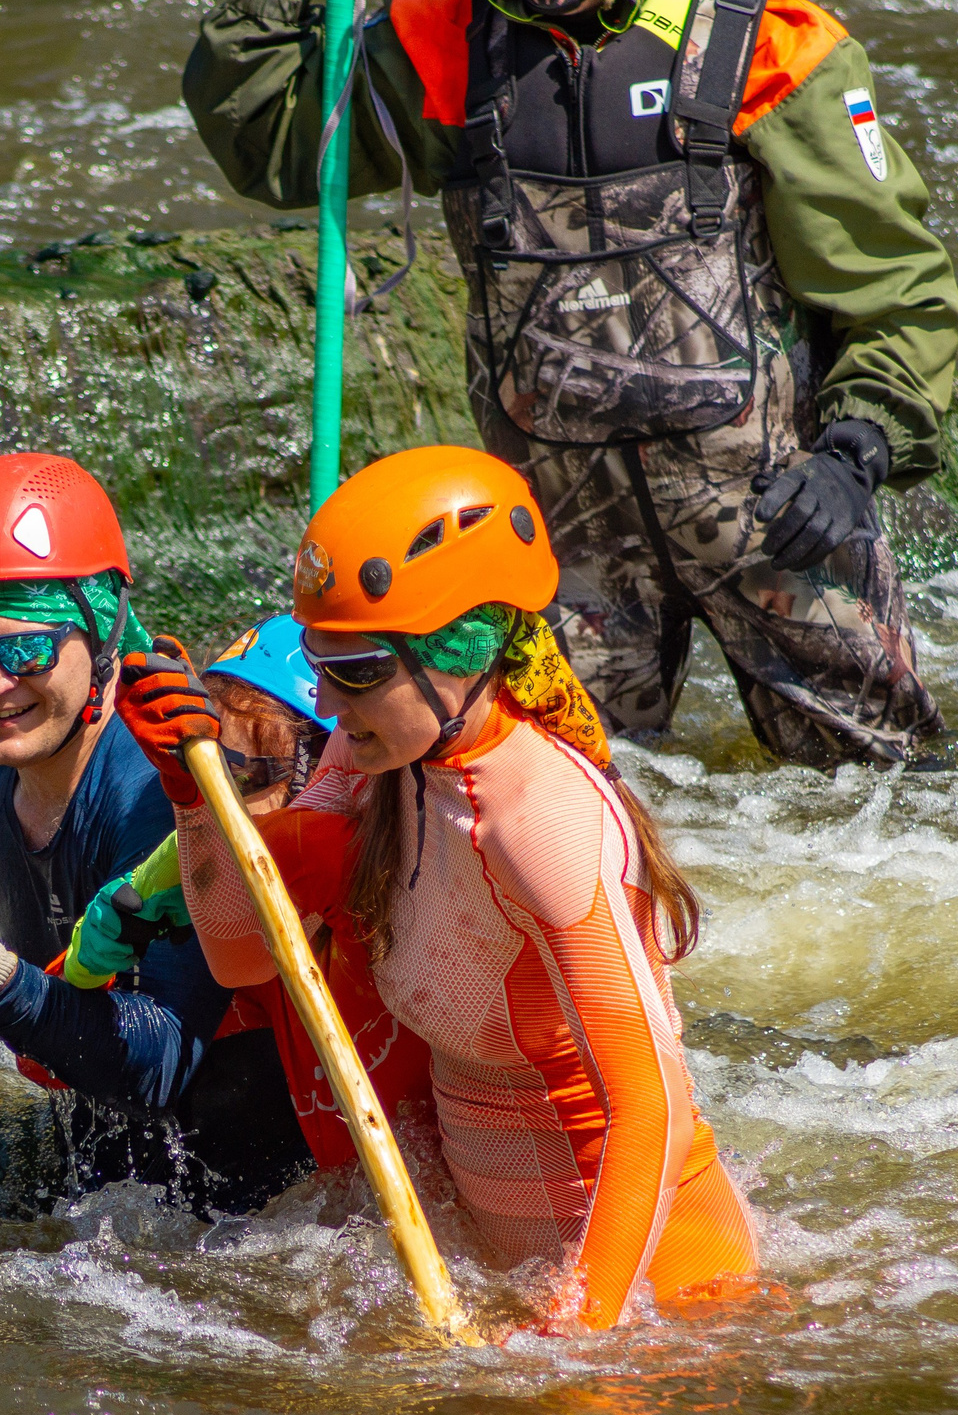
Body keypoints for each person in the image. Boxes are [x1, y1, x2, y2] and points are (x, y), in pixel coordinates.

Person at [182, 0, 958, 768]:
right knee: (561, 807)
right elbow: (273, 144)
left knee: (891, 800)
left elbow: (893, 283)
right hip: (562, 555)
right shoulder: (437, 36)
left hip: (778, 520)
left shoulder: (768, 44)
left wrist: (857, 450)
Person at [122, 447, 759, 1330]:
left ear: (458, 651)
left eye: (356, 674)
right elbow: (236, 953)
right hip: (500, 1273)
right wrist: (194, 798)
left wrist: (582, 1331)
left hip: (650, 1281)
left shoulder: (540, 820)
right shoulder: (375, 760)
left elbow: (653, 1108)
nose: (330, 706)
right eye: (319, 664)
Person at [0, 452, 312, 1216]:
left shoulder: (171, 797)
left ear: (103, 628)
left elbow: (166, 1061)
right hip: (112, 1184)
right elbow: (28, 1028)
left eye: (26, 648)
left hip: (257, 1208)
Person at [61, 615, 432, 1172]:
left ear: (331, 774)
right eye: (201, 771)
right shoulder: (225, 909)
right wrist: (86, 971)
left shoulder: (401, 883)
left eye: (242, 775)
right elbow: (50, 1065)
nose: (218, 806)